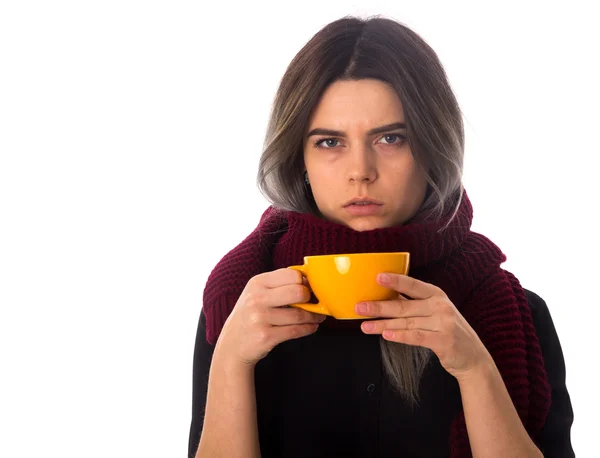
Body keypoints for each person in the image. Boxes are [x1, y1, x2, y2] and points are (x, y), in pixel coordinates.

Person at [188, 16, 574, 458]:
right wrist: (232, 361)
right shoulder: (244, 309)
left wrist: (475, 369)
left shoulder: (517, 313)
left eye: (390, 138)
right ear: (301, 163)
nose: (360, 171)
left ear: (432, 147)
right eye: (330, 142)